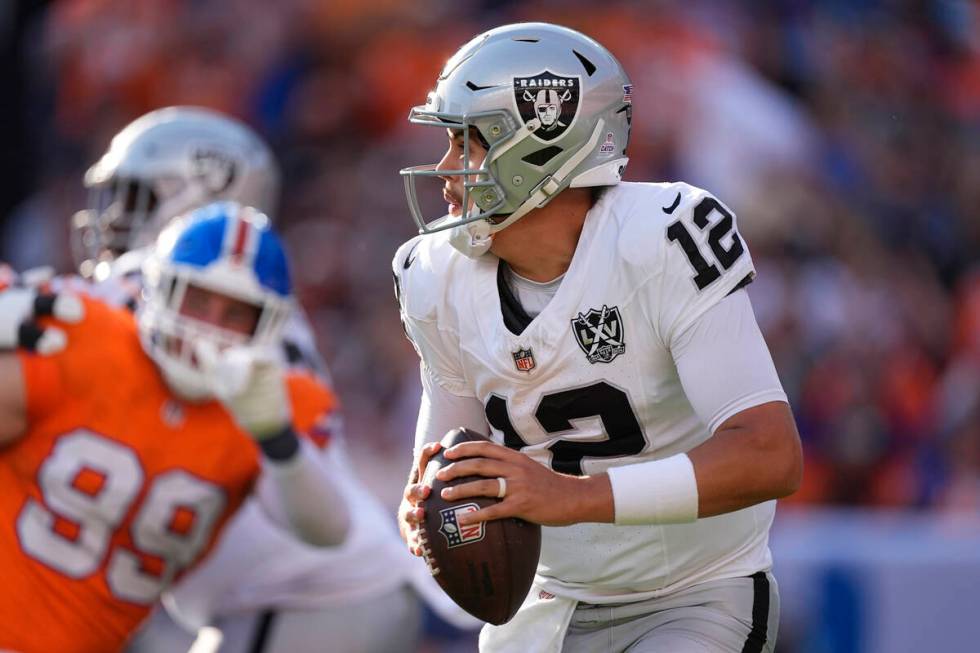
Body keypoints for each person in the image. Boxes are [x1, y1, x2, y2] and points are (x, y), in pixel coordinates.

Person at [393, 22, 803, 653]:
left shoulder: (664, 238)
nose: (446, 169)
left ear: (539, 146)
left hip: (694, 592)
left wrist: (571, 497)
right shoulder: (435, 275)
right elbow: (451, 460)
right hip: (546, 604)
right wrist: (425, 510)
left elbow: (770, 455)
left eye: (467, 143)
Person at [67, 106, 463, 653]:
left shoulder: (170, 298)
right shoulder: (254, 309)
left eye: (136, 198)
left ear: (195, 193)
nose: (113, 222)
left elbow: (65, 323)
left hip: (308, 598)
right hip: (314, 592)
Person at [0, 202, 350, 653]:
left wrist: (275, 435)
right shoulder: (86, 336)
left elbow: (330, 530)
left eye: (236, 314)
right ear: (161, 289)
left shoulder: (271, 406)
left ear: (269, 325)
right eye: (198, 300)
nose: (208, 330)